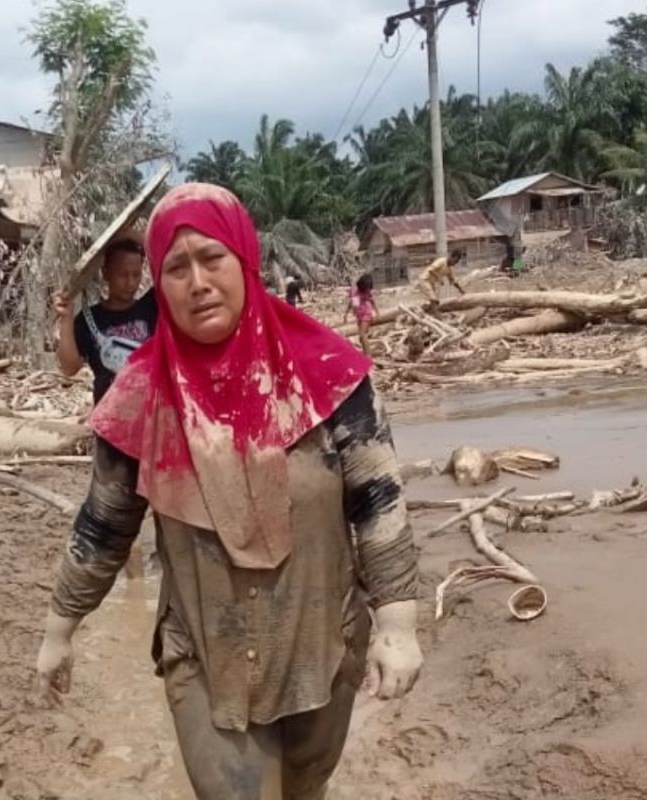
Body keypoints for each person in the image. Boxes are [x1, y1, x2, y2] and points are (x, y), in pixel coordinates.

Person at [36, 184, 422, 800]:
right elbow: (103, 525)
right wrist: (60, 630)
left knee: (305, 786)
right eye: (177, 268)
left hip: (321, 639)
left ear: (244, 262)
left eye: (212, 259)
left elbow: (378, 502)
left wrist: (397, 625)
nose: (198, 282)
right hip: (206, 652)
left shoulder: (330, 374)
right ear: (160, 288)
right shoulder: (139, 399)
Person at [53, 239, 158, 403]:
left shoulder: (152, 306)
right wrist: (66, 319)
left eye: (136, 274)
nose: (131, 282)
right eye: (123, 274)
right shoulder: (89, 319)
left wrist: (125, 234)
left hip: (149, 414)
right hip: (107, 419)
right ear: (106, 273)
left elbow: (168, 254)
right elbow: (69, 369)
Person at [343, 272, 378, 354]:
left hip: (366, 314)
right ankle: (365, 352)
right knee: (361, 337)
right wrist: (346, 314)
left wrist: (377, 312)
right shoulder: (355, 291)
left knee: (362, 334)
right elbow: (352, 303)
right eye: (367, 288)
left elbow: (372, 301)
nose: (368, 290)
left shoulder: (367, 292)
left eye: (369, 288)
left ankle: (368, 354)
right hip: (359, 315)